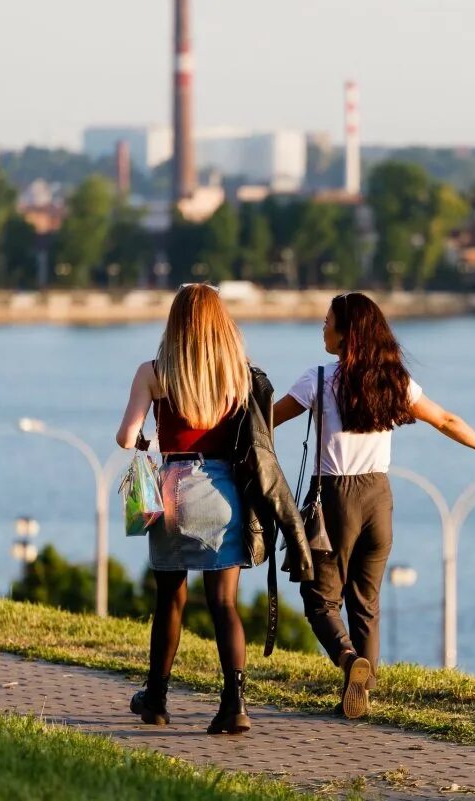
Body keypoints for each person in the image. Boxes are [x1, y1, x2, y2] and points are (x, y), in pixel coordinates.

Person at [273, 292, 475, 719]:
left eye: (328, 321)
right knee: (366, 602)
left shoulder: (318, 378)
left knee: (320, 598)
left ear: (345, 333)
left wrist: (221, 422)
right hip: (379, 499)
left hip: (335, 497)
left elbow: (268, 417)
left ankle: (346, 657)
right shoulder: (394, 381)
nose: (322, 327)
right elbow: (446, 419)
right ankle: (361, 693)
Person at [116, 284, 311, 735]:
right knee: (224, 602)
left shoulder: (154, 371)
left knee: (171, 598)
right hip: (226, 493)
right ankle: (233, 704)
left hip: (173, 493)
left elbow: (127, 437)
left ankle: (157, 699)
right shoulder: (239, 375)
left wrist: (146, 439)